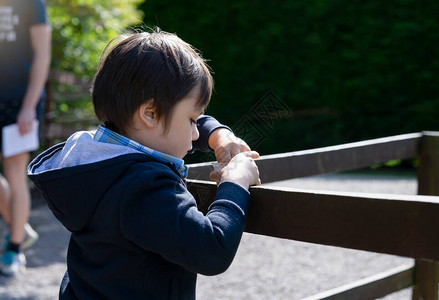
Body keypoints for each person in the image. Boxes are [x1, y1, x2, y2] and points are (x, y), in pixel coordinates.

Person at [27, 31, 260, 299]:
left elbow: (167, 129)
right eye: (192, 120)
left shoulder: (95, 161)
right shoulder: (144, 187)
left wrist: (219, 135)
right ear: (149, 114)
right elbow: (211, 249)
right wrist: (235, 183)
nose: (197, 134)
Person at [0, 0, 50, 275]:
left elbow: (42, 54)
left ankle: (15, 249)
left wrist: (29, 107)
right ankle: (21, 225)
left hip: (20, 102)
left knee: (14, 172)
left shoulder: (32, 3)